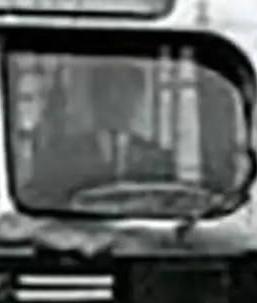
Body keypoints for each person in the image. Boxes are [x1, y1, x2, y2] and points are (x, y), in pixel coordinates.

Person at [21, 61, 175, 207]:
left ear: (138, 98)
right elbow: (39, 202)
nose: (115, 101)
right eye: (106, 92)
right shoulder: (61, 156)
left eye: (124, 93)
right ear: (94, 98)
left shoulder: (159, 160)